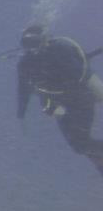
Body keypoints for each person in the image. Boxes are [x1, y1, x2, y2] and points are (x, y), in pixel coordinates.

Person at [15, 24, 103, 177]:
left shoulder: (60, 50)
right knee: (78, 145)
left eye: (35, 43)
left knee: (81, 142)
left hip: (81, 98)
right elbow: (23, 90)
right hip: (59, 104)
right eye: (27, 45)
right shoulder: (25, 64)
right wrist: (21, 113)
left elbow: (78, 77)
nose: (32, 49)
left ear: (44, 40)